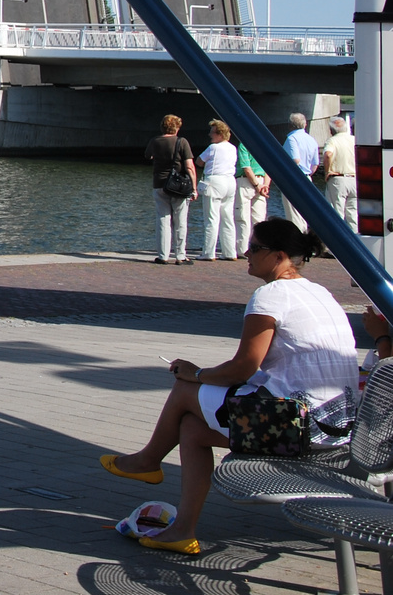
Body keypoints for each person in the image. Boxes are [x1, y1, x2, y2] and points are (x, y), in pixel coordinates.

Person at [100, 218, 359, 555]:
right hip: (335, 429)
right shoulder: (318, 292)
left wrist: (197, 373)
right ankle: (181, 529)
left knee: (183, 391)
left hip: (296, 427)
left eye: (255, 248)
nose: (246, 253)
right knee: (192, 429)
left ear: (279, 256)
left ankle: (148, 461)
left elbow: (242, 367)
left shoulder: (271, 296)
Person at [146, 115, 197, 264]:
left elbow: (148, 156)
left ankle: (163, 255)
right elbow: (189, 166)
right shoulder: (182, 142)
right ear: (176, 127)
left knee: (163, 220)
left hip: (159, 183)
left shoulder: (155, 141)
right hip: (178, 186)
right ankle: (180, 255)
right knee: (180, 221)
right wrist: (193, 187)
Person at [196, 120, 238, 261]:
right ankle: (229, 252)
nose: (210, 134)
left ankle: (208, 252)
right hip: (230, 182)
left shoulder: (213, 147)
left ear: (219, 134)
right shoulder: (233, 148)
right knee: (227, 218)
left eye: (212, 132)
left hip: (215, 181)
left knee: (212, 219)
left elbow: (199, 161)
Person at [282, 113, 321, 230]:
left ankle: (297, 244)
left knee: (294, 216)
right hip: (307, 178)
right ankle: (304, 242)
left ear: (290, 125)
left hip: (294, 179)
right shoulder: (311, 139)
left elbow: (295, 160)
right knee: (304, 214)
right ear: (305, 124)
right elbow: (315, 164)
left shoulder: (291, 139)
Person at [234, 134, 270, 257]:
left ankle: (242, 250)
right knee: (259, 219)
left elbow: (246, 168)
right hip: (261, 181)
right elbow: (268, 168)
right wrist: (265, 185)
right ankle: (260, 248)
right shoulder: (263, 146)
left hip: (246, 182)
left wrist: (256, 185)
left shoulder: (244, 145)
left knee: (242, 217)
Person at [322, 116, 358, 229]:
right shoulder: (354, 140)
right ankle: (355, 241)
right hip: (354, 179)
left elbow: (328, 154)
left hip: (338, 180)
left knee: (337, 215)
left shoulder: (332, 140)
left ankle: (337, 243)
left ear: (331, 130)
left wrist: (327, 171)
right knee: (353, 215)